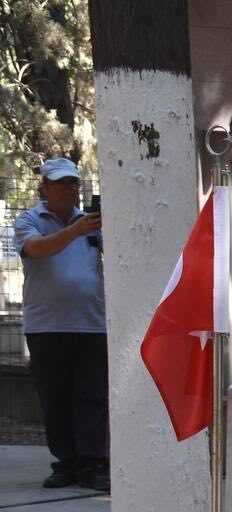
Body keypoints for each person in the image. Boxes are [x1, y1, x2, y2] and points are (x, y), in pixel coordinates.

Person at [13, 157, 109, 492]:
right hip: (46, 325)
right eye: (60, 183)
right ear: (44, 187)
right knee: (55, 397)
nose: (68, 189)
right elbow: (36, 249)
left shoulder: (93, 223)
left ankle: (94, 462)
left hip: (91, 324)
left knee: (92, 397)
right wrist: (75, 231)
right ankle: (65, 463)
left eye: (72, 183)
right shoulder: (29, 220)